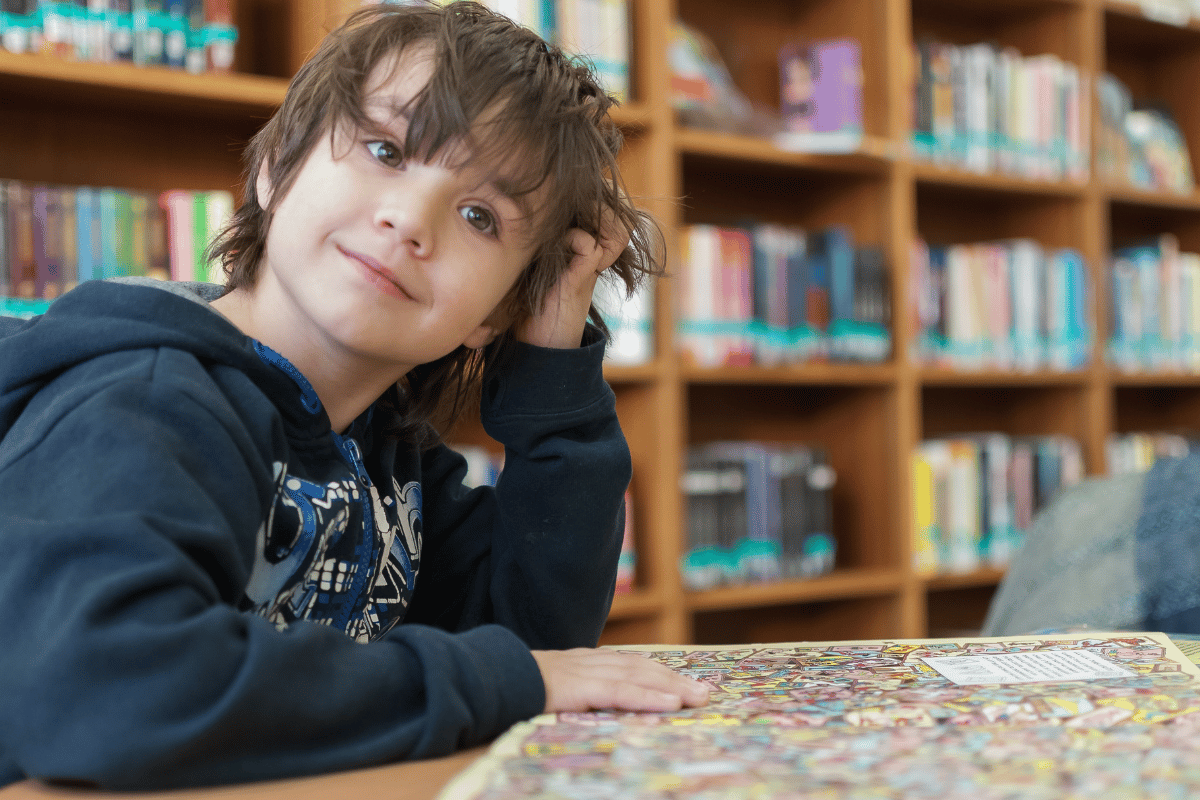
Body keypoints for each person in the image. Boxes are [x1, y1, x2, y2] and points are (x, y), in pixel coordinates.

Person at [0, 2, 708, 790]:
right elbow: (107, 695)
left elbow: (532, 640)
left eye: (480, 216)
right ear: (276, 168)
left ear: (495, 314)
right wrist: (500, 679)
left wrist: (551, 359)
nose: (409, 219)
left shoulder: (383, 451)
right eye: (386, 148)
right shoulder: (141, 403)